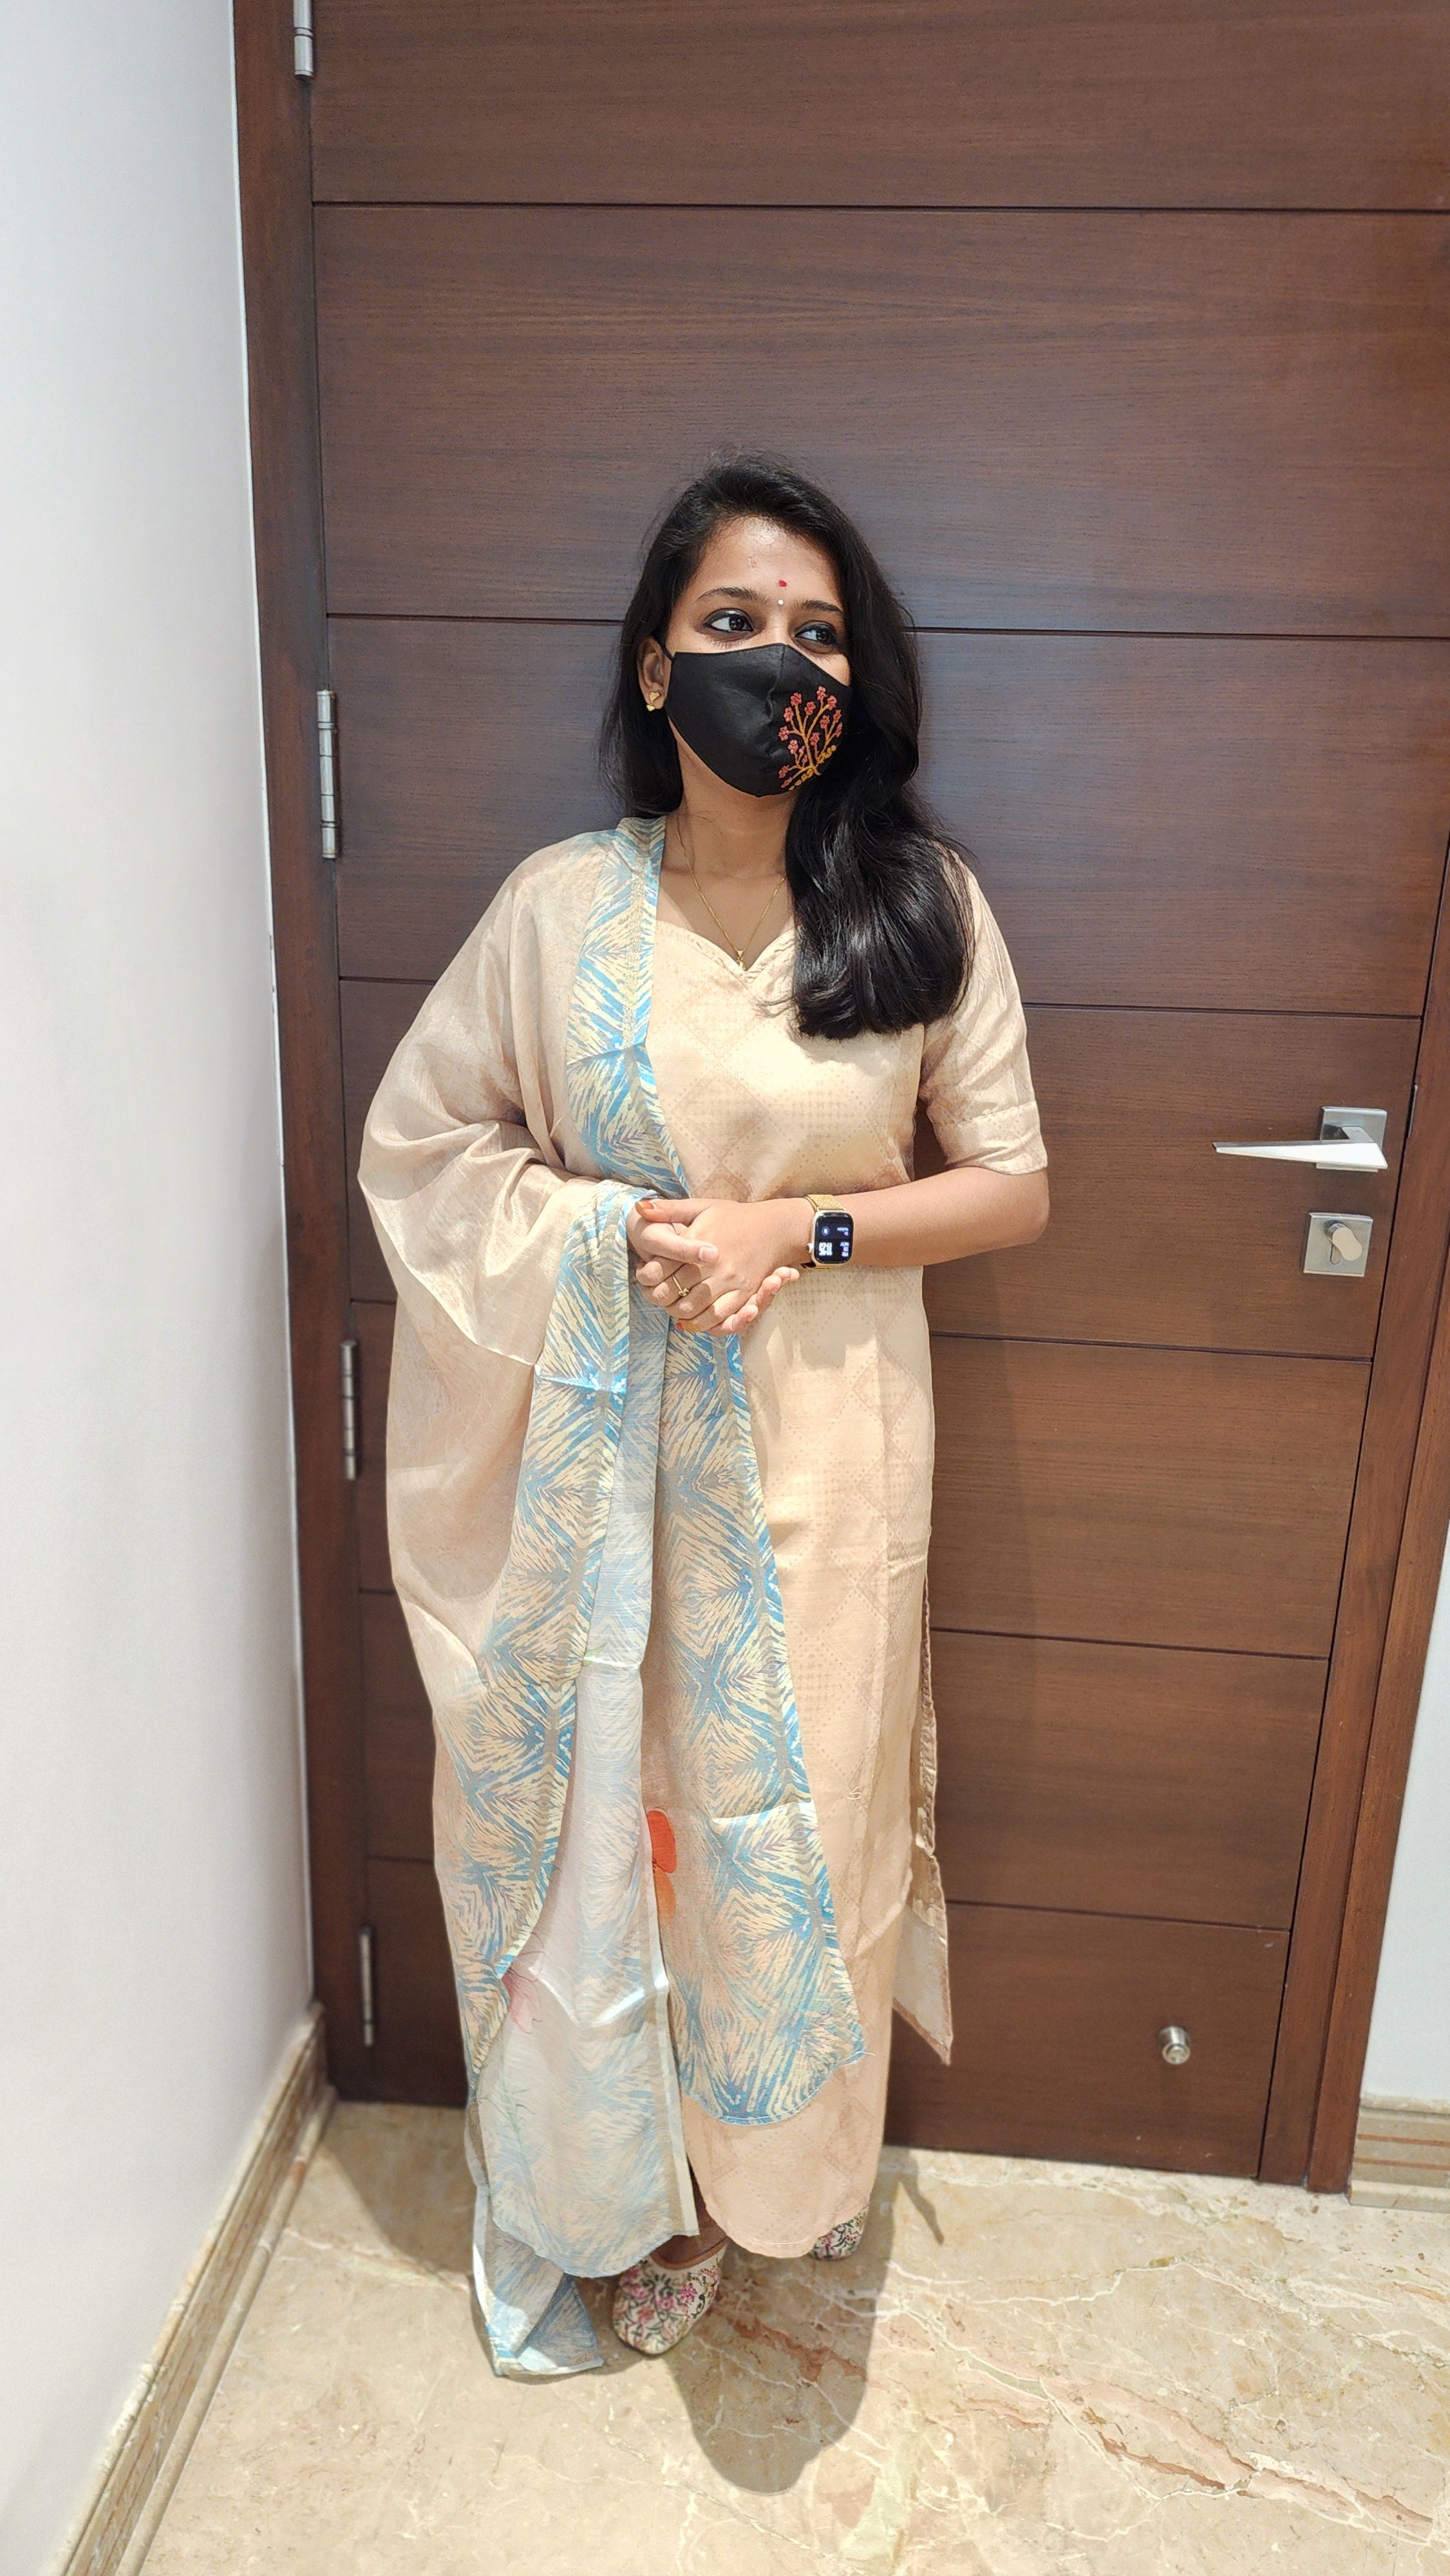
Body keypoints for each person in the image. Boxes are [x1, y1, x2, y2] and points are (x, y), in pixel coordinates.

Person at [360, 455, 1048, 2376]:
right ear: (658, 670)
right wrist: (608, 1235)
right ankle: (624, 2194)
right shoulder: (555, 912)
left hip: (830, 1456)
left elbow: (1010, 1186)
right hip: (592, 1472)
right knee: (614, 1824)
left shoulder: (918, 907)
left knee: (791, 1817)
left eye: (815, 633)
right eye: (732, 624)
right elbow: (423, 1150)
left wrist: (789, 1228)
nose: (776, 664)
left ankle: (770, 2177)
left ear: (855, 678)